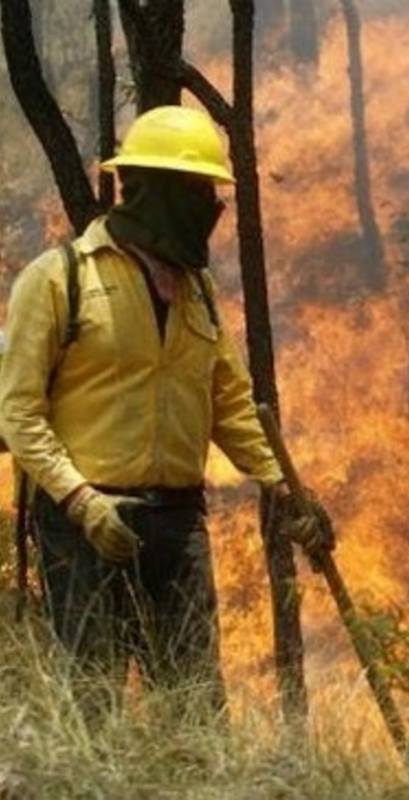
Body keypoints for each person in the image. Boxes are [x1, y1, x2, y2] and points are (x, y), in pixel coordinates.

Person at [0, 105, 329, 716]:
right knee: (93, 704)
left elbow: (229, 403)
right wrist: (80, 501)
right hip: (84, 523)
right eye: (199, 190)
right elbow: (18, 415)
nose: (212, 207)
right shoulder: (57, 280)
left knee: (196, 704)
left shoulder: (198, 292)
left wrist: (286, 488)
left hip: (178, 523)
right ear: (148, 190)